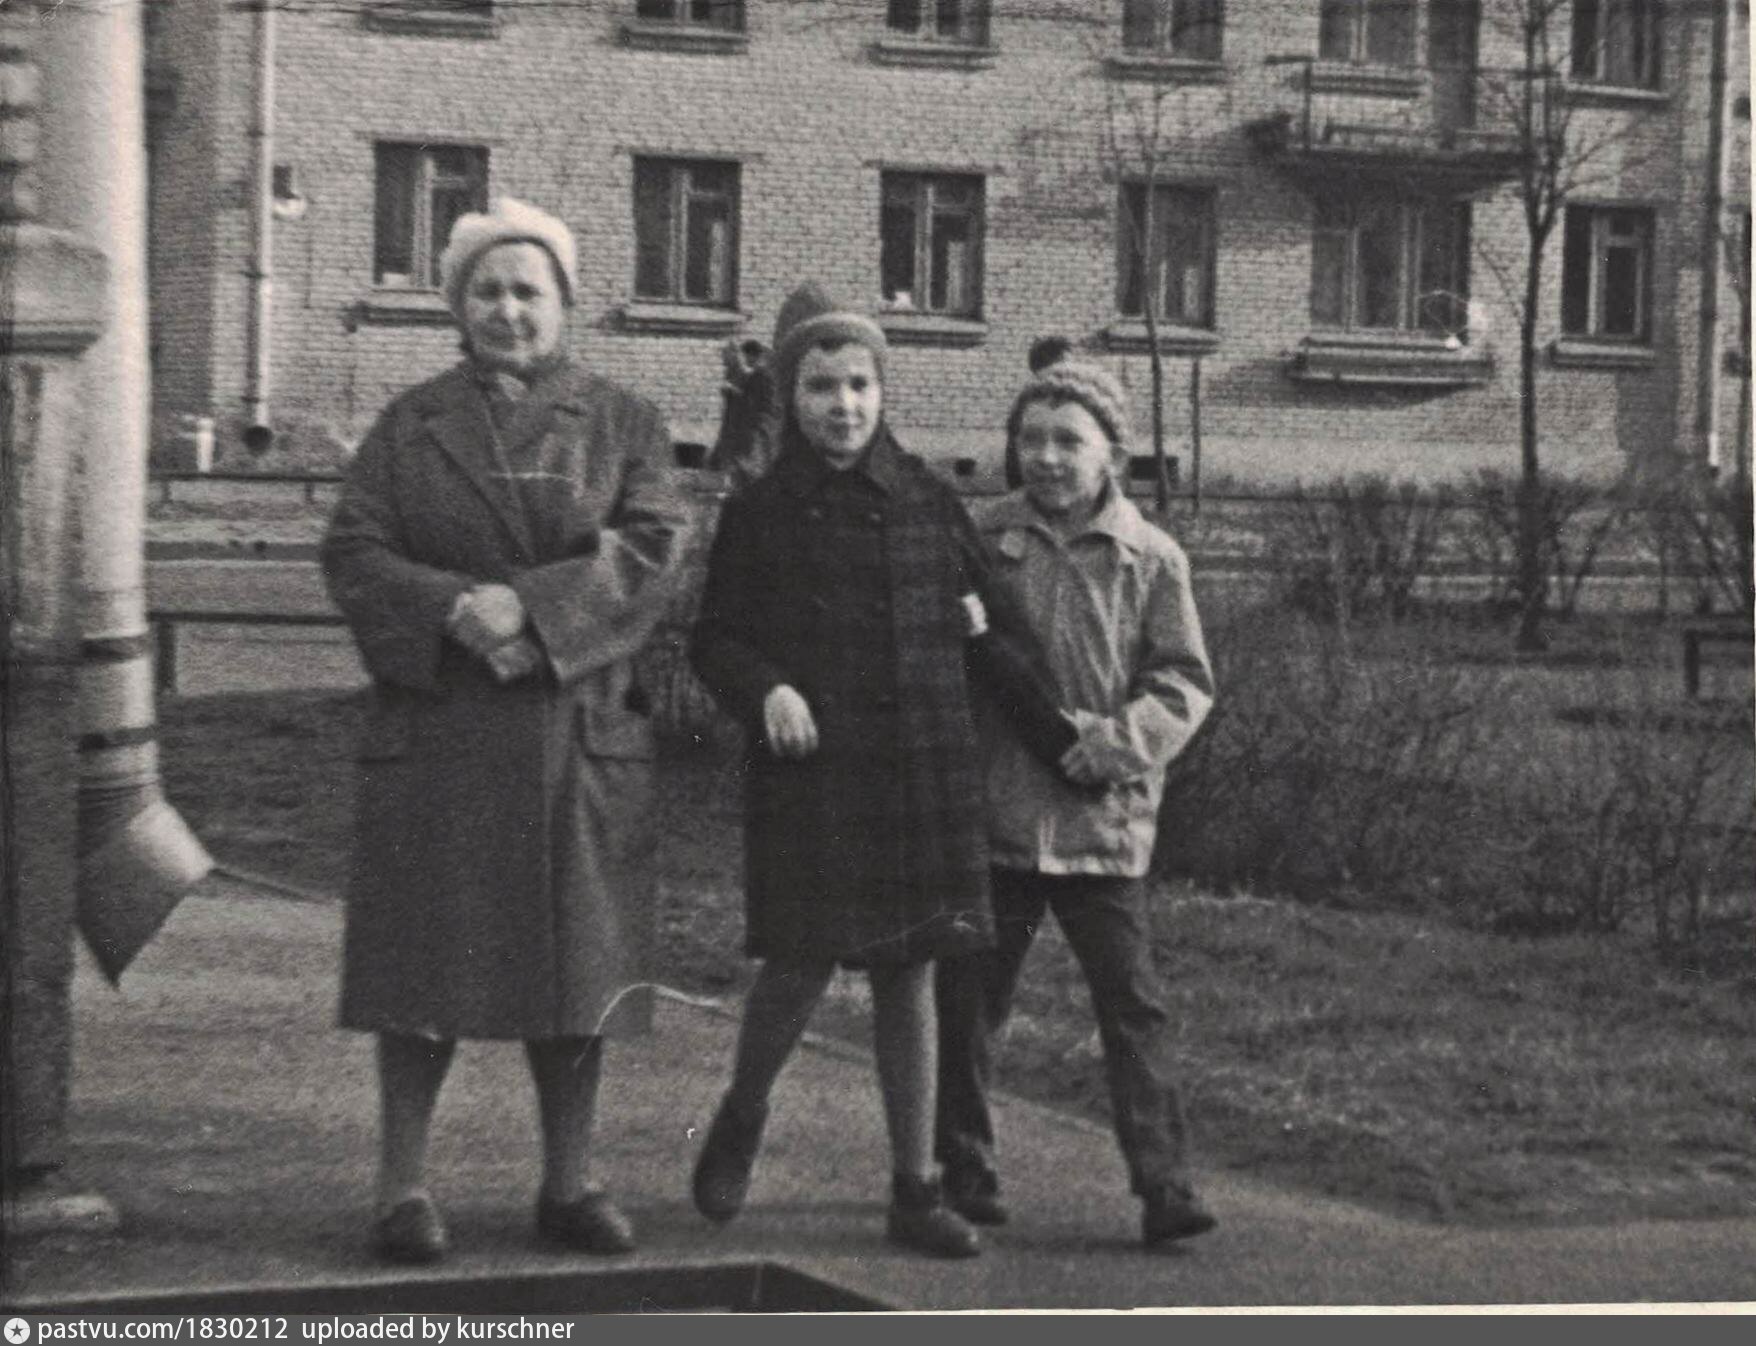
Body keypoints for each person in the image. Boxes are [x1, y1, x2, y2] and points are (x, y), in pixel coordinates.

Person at [320, 198, 694, 1265]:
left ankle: (570, 1183)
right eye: (486, 290)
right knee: (419, 973)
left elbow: (655, 546)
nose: (507, 309)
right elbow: (354, 550)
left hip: (571, 728)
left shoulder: (623, 421)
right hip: (441, 725)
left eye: (529, 290)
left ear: (565, 304)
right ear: (457, 308)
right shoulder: (409, 425)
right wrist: (454, 610)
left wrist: (533, 614)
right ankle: (402, 1189)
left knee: (575, 973)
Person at [686, 283, 1081, 1259]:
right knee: (800, 963)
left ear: (882, 390)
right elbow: (714, 640)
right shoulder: (762, 511)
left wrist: (1064, 740)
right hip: (815, 774)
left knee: (912, 973)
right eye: (822, 386)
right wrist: (767, 688)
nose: (844, 405)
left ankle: (916, 1185)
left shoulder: (926, 501)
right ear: (792, 395)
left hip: (917, 771)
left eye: (860, 384)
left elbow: (999, 635)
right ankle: (743, 1109)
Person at [933, 361, 1219, 1249]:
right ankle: (963, 1171)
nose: (1047, 458)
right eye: (1032, 440)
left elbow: (1182, 683)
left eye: (1069, 441)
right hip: (999, 819)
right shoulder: (981, 543)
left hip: (1103, 826)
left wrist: (1115, 743)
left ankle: (1165, 1184)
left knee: (1133, 1006)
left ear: (1112, 456)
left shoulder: (1150, 557)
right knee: (971, 1002)